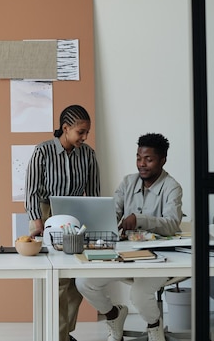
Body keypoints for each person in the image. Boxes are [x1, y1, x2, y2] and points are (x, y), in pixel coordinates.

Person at [75, 133, 183, 341]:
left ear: (162, 160)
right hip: (125, 254)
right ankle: (114, 315)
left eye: (149, 159)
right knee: (83, 282)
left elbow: (172, 224)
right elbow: (111, 214)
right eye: (138, 158)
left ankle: (154, 325)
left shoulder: (172, 187)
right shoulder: (127, 182)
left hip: (158, 258)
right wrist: (104, 222)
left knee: (139, 294)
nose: (142, 164)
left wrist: (140, 219)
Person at [24, 104, 100, 341]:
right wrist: (37, 222)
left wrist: (97, 222)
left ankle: (63, 334)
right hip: (45, 215)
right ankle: (56, 335)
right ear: (65, 128)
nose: (85, 137)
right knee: (54, 279)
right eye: (81, 132)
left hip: (76, 217)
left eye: (87, 132)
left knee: (75, 280)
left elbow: (94, 193)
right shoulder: (42, 152)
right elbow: (32, 191)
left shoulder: (88, 154)